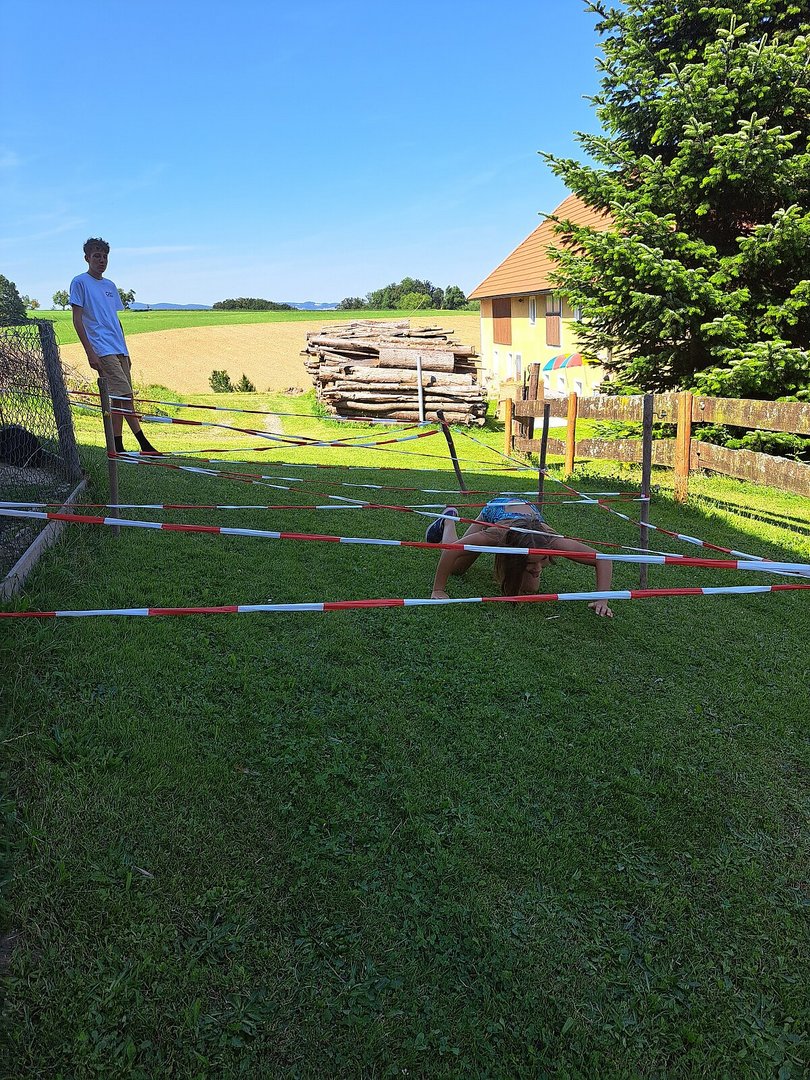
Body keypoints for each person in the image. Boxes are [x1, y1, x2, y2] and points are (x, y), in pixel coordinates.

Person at [426, 496, 614, 617]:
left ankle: (529, 562)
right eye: (531, 563)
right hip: (497, 509)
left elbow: (602, 558)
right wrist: (438, 590)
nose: (538, 569)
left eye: (542, 560)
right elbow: (452, 550)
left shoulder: (551, 540)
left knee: (530, 588)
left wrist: (602, 600)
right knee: (457, 569)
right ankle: (448, 520)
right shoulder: (496, 534)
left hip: (525, 513)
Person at [69, 237, 159, 455]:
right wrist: (90, 353)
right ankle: (145, 445)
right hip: (101, 348)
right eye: (96, 256)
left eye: (104, 256)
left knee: (118, 399)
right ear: (87, 258)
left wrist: (125, 350)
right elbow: (77, 320)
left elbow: (114, 319)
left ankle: (117, 446)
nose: (101, 260)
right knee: (125, 396)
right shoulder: (79, 282)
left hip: (119, 348)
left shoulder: (110, 285)